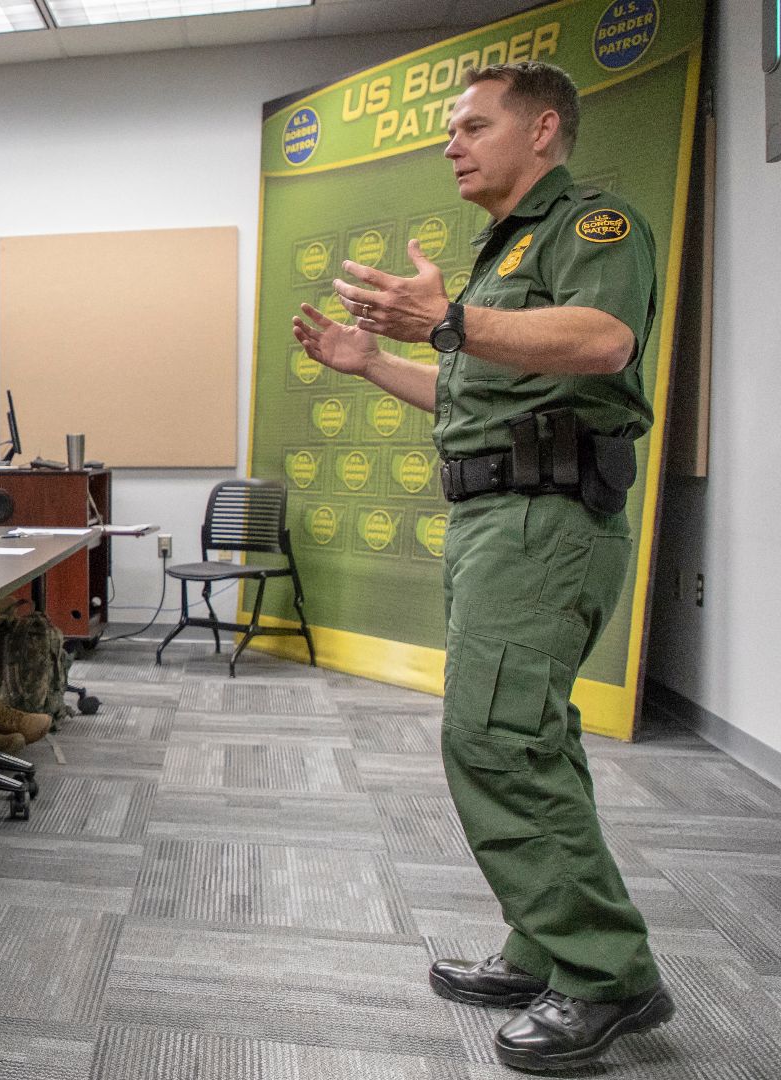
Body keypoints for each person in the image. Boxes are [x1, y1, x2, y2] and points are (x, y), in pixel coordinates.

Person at [292, 60, 671, 1071]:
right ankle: (546, 943)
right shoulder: (502, 254)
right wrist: (375, 362)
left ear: (542, 130)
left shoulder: (594, 227)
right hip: (496, 514)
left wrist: (450, 321)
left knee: (497, 739)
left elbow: (602, 340)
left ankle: (608, 975)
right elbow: (475, 404)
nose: (451, 142)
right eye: (449, 129)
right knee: (524, 734)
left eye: (472, 126)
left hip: (547, 519)